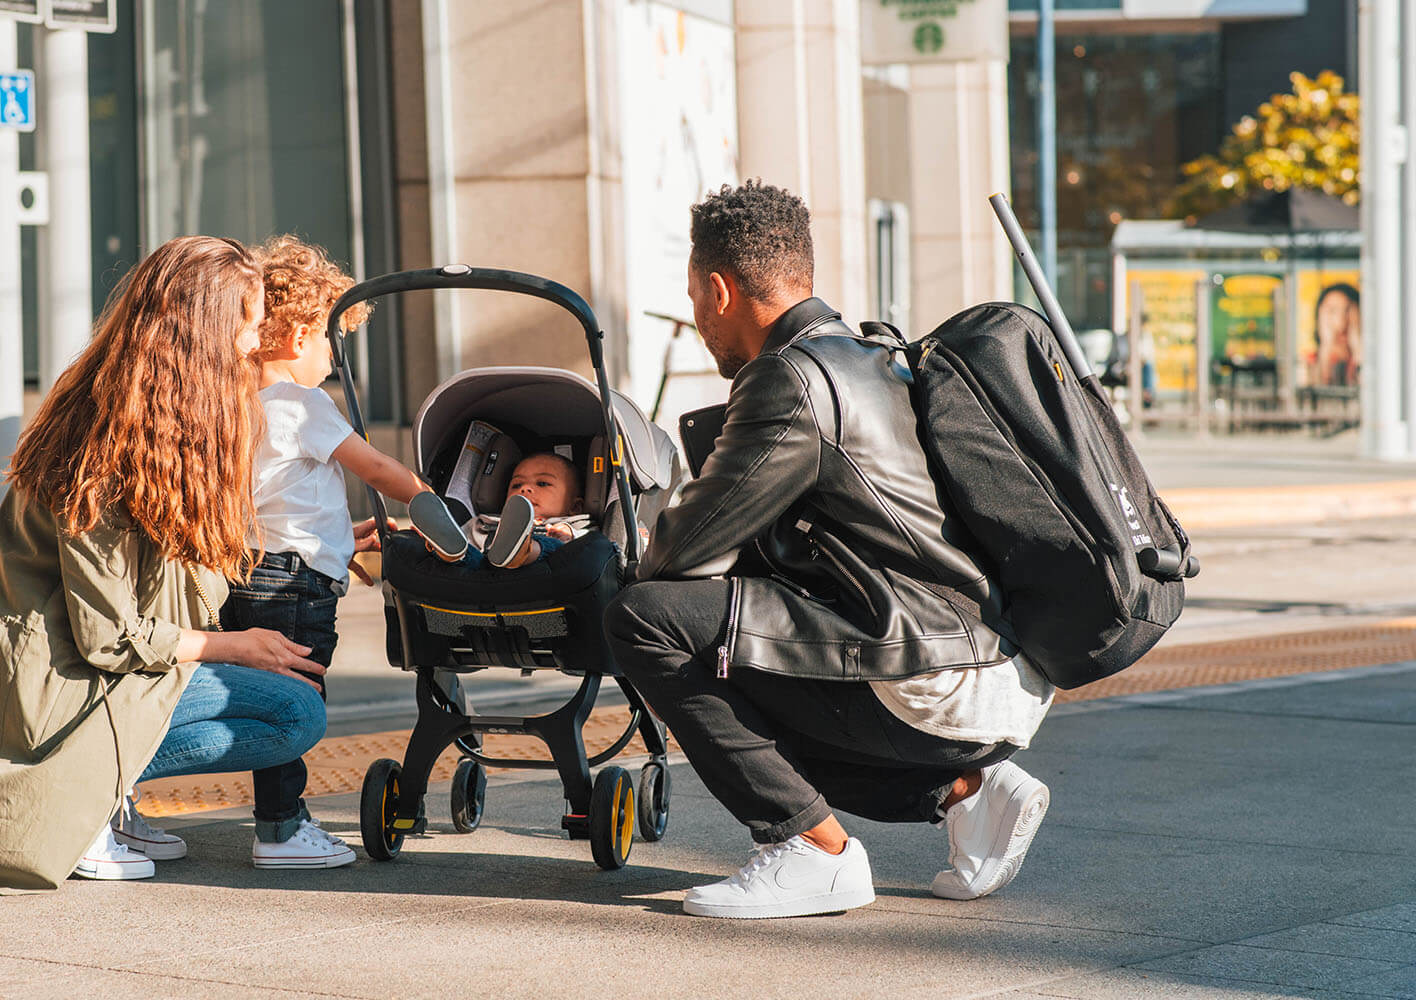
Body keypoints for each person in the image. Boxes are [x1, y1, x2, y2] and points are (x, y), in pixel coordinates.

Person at [604, 180, 1054, 920]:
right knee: (734, 668)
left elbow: (685, 553)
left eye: (692, 298)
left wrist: (635, 549)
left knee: (645, 619)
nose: (696, 318)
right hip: (986, 665)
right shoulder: (872, 353)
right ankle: (972, 791)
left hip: (927, 674)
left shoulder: (789, 380)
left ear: (718, 289)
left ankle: (813, 851)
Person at [0, 236, 332, 890]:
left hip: (73, 677)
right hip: (49, 692)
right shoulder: (100, 452)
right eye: (248, 325)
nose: (256, 343)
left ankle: (109, 793)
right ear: (204, 334)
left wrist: (328, 539)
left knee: (294, 708)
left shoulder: (151, 424)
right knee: (292, 713)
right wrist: (232, 646)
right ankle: (86, 805)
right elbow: (107, 637)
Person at [225, 234, 434, 869]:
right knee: (296, 699)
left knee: (257, 698)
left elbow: (276, 505)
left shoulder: (238, 404)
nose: (330, 359)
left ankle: (279, 820)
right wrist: (431, 504)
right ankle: (282, 830)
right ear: (297, 336)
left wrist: (341, 544)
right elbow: (374, 467)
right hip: (295, 590)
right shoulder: (302, 401)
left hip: (247, 574)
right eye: (328, 342)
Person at [408, 451, 591, 570]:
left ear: (575, 507)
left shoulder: (573, 527)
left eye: (542, 483)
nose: (525, 489)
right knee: (462, 550)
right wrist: (434, 536)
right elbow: (461, 537)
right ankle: (446, 552)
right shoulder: (484, 523)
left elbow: (591, 549)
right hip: (482, 573)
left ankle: (522, 550)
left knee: (557, 546)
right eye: (517, 484)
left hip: (542, 573)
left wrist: (570, 535)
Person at [1311, 282, 1361, 388]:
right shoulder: (1309, 361)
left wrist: (1358, 349)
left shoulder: (1372, 360)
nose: (1341, 322)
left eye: (1348, 310)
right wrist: (1326, 347)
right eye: (1332, 311)